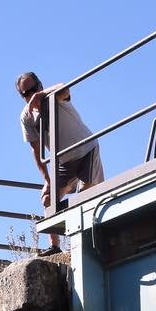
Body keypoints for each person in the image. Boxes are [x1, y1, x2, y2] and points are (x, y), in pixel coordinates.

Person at [15, 71, 103, 256]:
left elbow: (64, 88)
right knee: (48, 199)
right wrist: (47, 179)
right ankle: (55, 246)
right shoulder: (26, 117)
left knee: (85, 196)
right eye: (26, 93)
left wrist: (41, 95)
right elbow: (36, 150)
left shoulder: (53, 96)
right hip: (64, 161)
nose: (31, 95)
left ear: (40, 85)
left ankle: (89, 243)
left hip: (86, 149)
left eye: (33, 89)